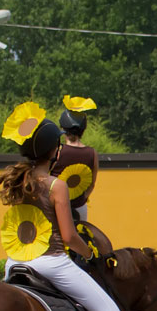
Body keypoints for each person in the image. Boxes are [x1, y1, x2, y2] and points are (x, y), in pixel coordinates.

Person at [0, 102, 128, 311]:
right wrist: (90, 251)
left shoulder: (18, 182)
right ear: (54, 152)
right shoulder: (57, 186)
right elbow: (68, 237)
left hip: (15, 263)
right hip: (51, 262)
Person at [53, 95, 101, 223]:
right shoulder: (92, 153)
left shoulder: (58, 151)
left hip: (56, 207)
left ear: (63, 129)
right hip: (80, 208)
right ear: (83, 130)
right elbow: (92, 184)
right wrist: (80, 199)